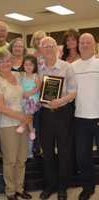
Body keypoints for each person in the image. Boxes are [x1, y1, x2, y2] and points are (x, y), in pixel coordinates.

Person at [0, 50, 32, 200]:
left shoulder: (18, 76)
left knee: (22, 159)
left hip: (24, 123)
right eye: (2, 62)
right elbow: (0, 107)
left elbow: (28, 93)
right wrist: (21, 116)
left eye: (8, 60)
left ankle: (20, 188)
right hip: (7, 125)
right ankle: (10, 191)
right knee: (10, 160)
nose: (6, 64)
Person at [38, 37, 76, 200]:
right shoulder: (39, 69)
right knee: (47, 152)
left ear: (56, 48)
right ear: (41, 50)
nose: (48, 49)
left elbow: (73, 91)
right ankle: (50, 185)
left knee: (64, 151)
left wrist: (60, 101)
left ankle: (62, 187)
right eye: (45, 46)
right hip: (45, 115)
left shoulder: (67, 67)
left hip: (63, 113)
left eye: (51, 46)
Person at [72, 33, 99, 200]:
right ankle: (88, 188)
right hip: (80, 118)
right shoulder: (72, 67)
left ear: (94, 44)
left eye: (88, 42)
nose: (85, 45)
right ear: (78, 45)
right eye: (82, 42)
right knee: (82, 157)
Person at [17, 55, 41, 141]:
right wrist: (23, 93)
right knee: (26, 114)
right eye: (26, 65)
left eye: (30, 65)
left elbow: (37, 87)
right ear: (23, 66)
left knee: (29, 113)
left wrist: (29, 94)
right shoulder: (22, 75)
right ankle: (32, 130)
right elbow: (19, 86)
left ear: (34, 66)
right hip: (24, 97)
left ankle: (23, 125)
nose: (28, 67)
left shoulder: (35, 76)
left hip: (33, 98)